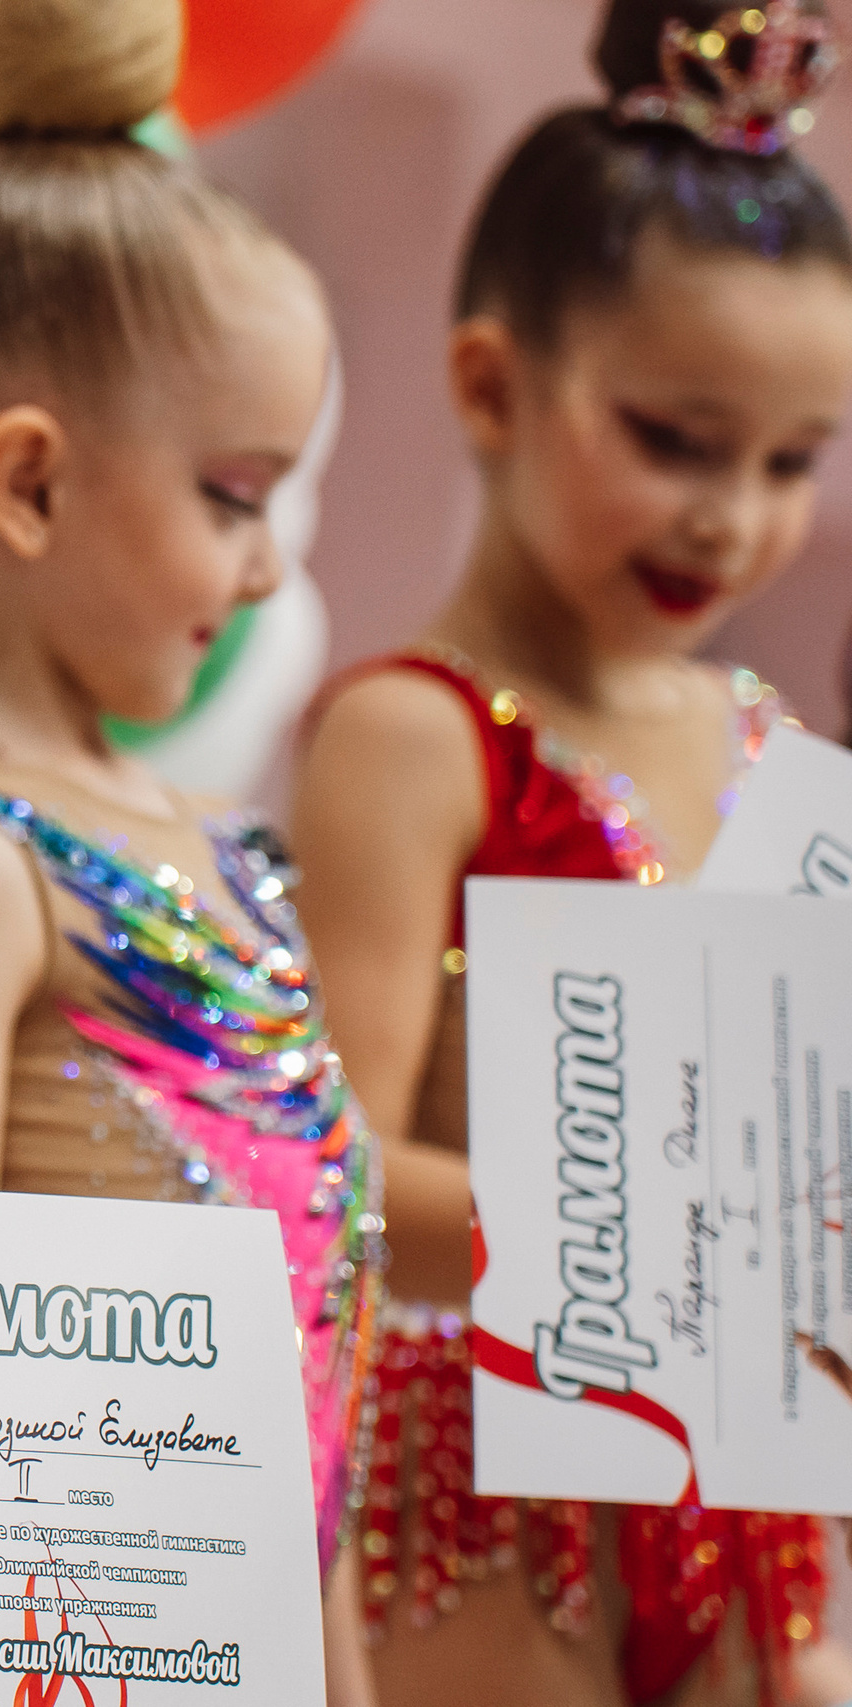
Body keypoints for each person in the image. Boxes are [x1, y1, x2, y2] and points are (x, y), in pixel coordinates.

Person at [0, 0, 381, 1700]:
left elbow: (312, 1412)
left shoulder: (210, 842)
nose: (268, 570)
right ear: (32, 484)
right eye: (232, 494)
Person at [293, 3, 852, 1703]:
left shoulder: (781, 754)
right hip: (500, 1520)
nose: (732, 517)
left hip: (759, 1507)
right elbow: (339, 1185)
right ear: (491, 384)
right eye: (677, 441)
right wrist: (692, 1247)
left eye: (791, 460)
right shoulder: (414, 735)